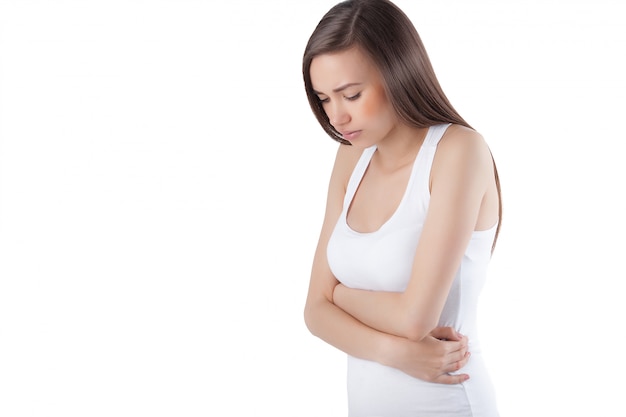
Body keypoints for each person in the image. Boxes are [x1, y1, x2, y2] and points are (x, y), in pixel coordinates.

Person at [302, 0, 502, 415]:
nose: (337, 116)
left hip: (449, 402)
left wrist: (339, 295)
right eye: (324, 99)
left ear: (398, 72)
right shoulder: (351, 158)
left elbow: (416, 318)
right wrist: (395, 353)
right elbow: (313, 313)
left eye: (351, 94)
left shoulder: (459, 151)